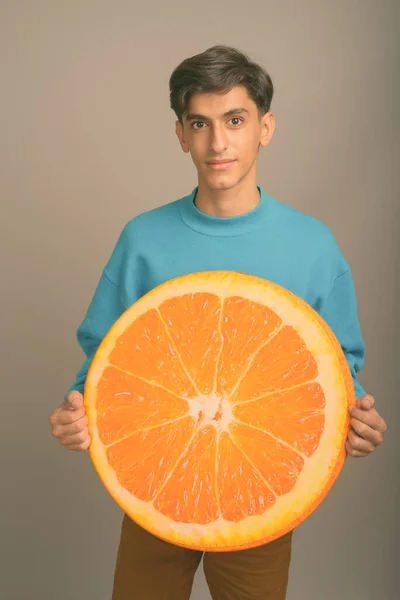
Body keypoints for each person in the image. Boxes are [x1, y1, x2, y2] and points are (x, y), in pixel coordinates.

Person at [49, 44, 387, 600]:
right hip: (157, 475)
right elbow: (106, 356)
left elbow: (335, 365)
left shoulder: (313, 246)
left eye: (235, 120)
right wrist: (76, 406)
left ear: (266, 127)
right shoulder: (143, 238)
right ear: (181, 135)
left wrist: (358, 417)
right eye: (199, 124)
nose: (218, 142)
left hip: (259, 485)